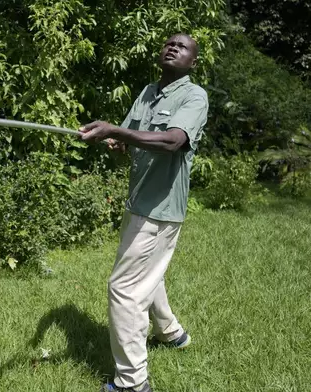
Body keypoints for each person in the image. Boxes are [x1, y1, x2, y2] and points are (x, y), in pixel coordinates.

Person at [78, 33, 209, 392]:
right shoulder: (148, 92)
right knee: (149, 275)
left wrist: (117, 130)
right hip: (139, 203)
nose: (172, 48)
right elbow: (130, 136)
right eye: (169, 43)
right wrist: (115, 140)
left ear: (192, 62)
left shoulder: (194, 96)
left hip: (159, 210)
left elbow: (173, 141)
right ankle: (171, 333)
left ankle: (132, 383)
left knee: (124, 289)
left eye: (181, 47)